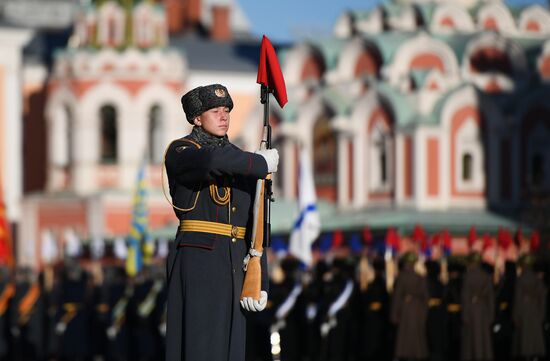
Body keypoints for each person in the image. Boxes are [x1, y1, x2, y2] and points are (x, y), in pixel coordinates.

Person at [164, 84, 279, 361]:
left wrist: (259, 277)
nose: (223, 115)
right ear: (196, 118)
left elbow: (257, 222)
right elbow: (211, 161)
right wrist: (259, 163)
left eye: (226, 110)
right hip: (200, 263)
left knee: (232, 350)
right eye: (214, 111)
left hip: (234, 265)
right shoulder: (182, 150)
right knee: (201, 347)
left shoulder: (240, 159)